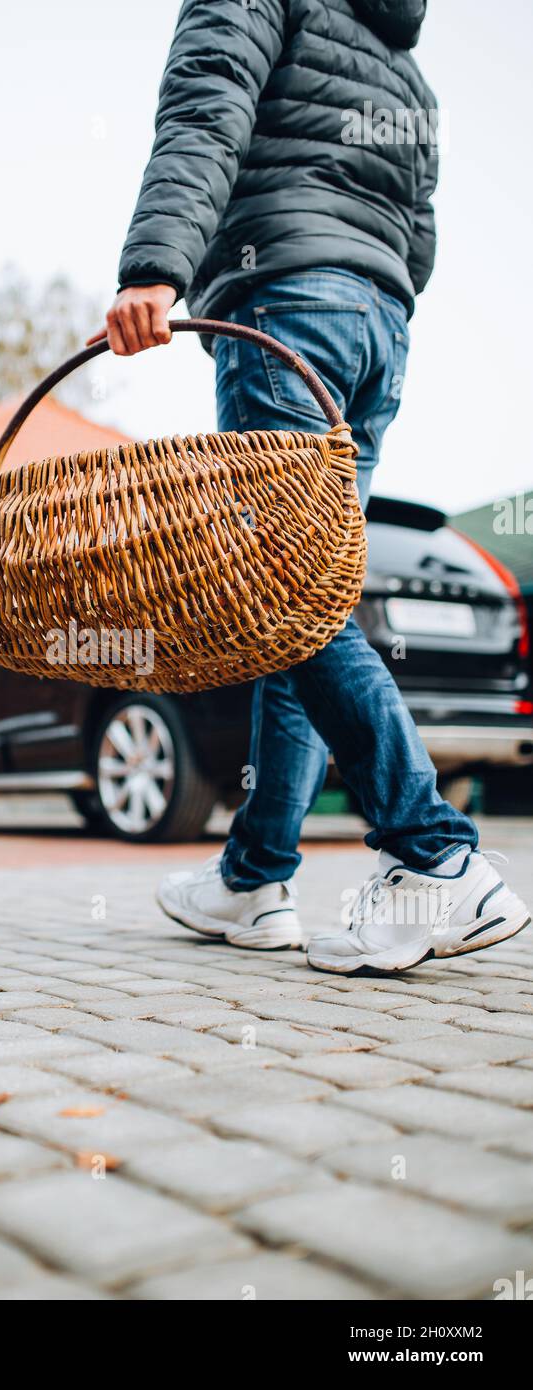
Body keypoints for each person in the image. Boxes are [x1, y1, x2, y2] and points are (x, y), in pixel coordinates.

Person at [98, 0, 530, 973]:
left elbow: (206, 104)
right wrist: (375, 293)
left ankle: (432, 856)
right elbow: (417, 229)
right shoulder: (404, 71)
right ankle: (253, 878)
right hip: (375, 327)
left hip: (289, 309)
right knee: (297, 599)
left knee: (287, 590)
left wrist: (156, 265)